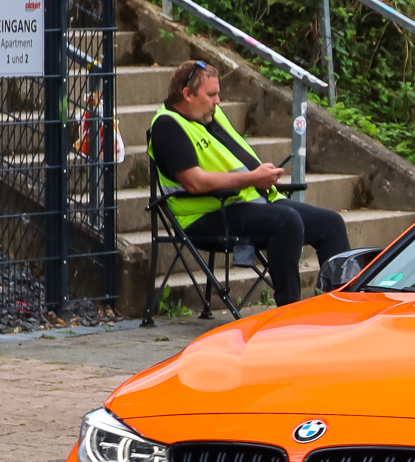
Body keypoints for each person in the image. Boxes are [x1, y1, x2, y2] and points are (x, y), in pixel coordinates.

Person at [146, 60, 348, 306]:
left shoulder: (210, 114)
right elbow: (195, 183)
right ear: (187, 94)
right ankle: (289, 312)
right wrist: (254, 178)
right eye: (211, 95)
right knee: (286, 221)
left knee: (332, 224)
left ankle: (344, 305)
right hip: (203, 216)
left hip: (247, 201)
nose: (218, 101)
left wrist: (262, 176)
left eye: (218, 93)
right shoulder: (167, 126)